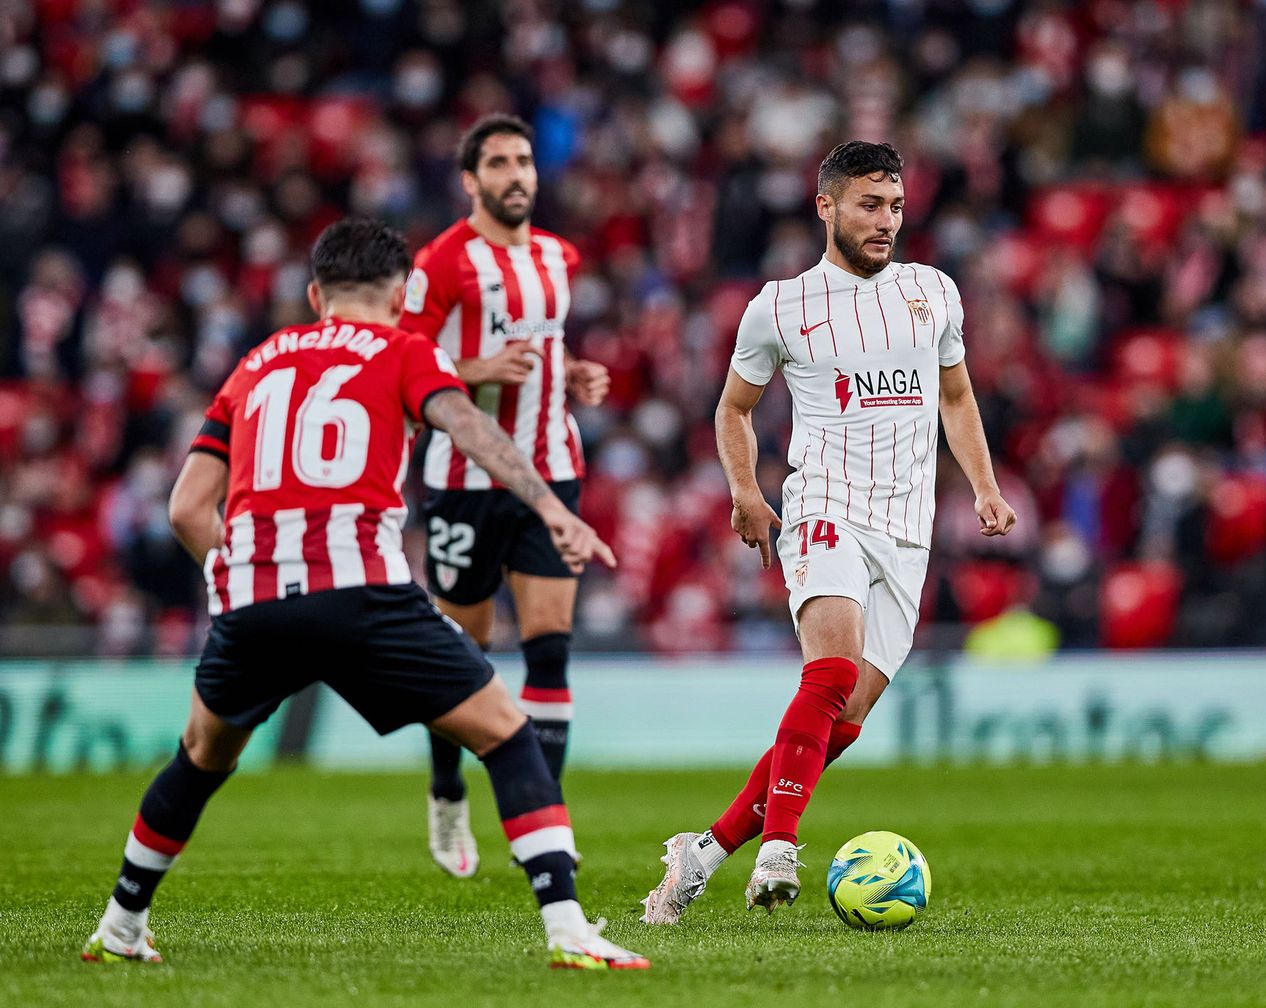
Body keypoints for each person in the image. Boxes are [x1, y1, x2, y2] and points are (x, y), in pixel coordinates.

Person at [80, 218, 648, 971]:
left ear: (316, 294)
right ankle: (569, 929)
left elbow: (187, 508)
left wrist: (242, 569)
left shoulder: (255, 363)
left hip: (254, 599)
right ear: (404, 292)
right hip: (361, 593)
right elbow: (469, 428)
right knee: (508, 734)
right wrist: (551, 508)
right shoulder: (407, 350)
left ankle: (121, 923)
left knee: (200, 757)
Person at [640, 141, 1017, 923]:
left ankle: (702, 852)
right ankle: (778, 849)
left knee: (839, 725)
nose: (887, 222)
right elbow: (733, 409)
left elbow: (955, 397)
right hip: (824, 509)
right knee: (832, 674)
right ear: (827, 206)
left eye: (897, 207)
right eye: (870, 206)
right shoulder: (779, 306)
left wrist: (984, 486)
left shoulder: (933, 292)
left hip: (907, 533)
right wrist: (746, 490)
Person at [399, 114, 609, 878]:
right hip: (463, 481)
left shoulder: (559, 255)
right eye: (499, 163)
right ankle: (447, 787)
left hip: (551, 470)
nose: (517, 174)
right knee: (465, 654)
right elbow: (407, 354)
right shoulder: (444, 261)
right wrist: (478, 366)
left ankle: (541, 822)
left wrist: (574, 372)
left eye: (524, 161)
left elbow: (544, 343)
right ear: (470, 180)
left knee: (550, 646)